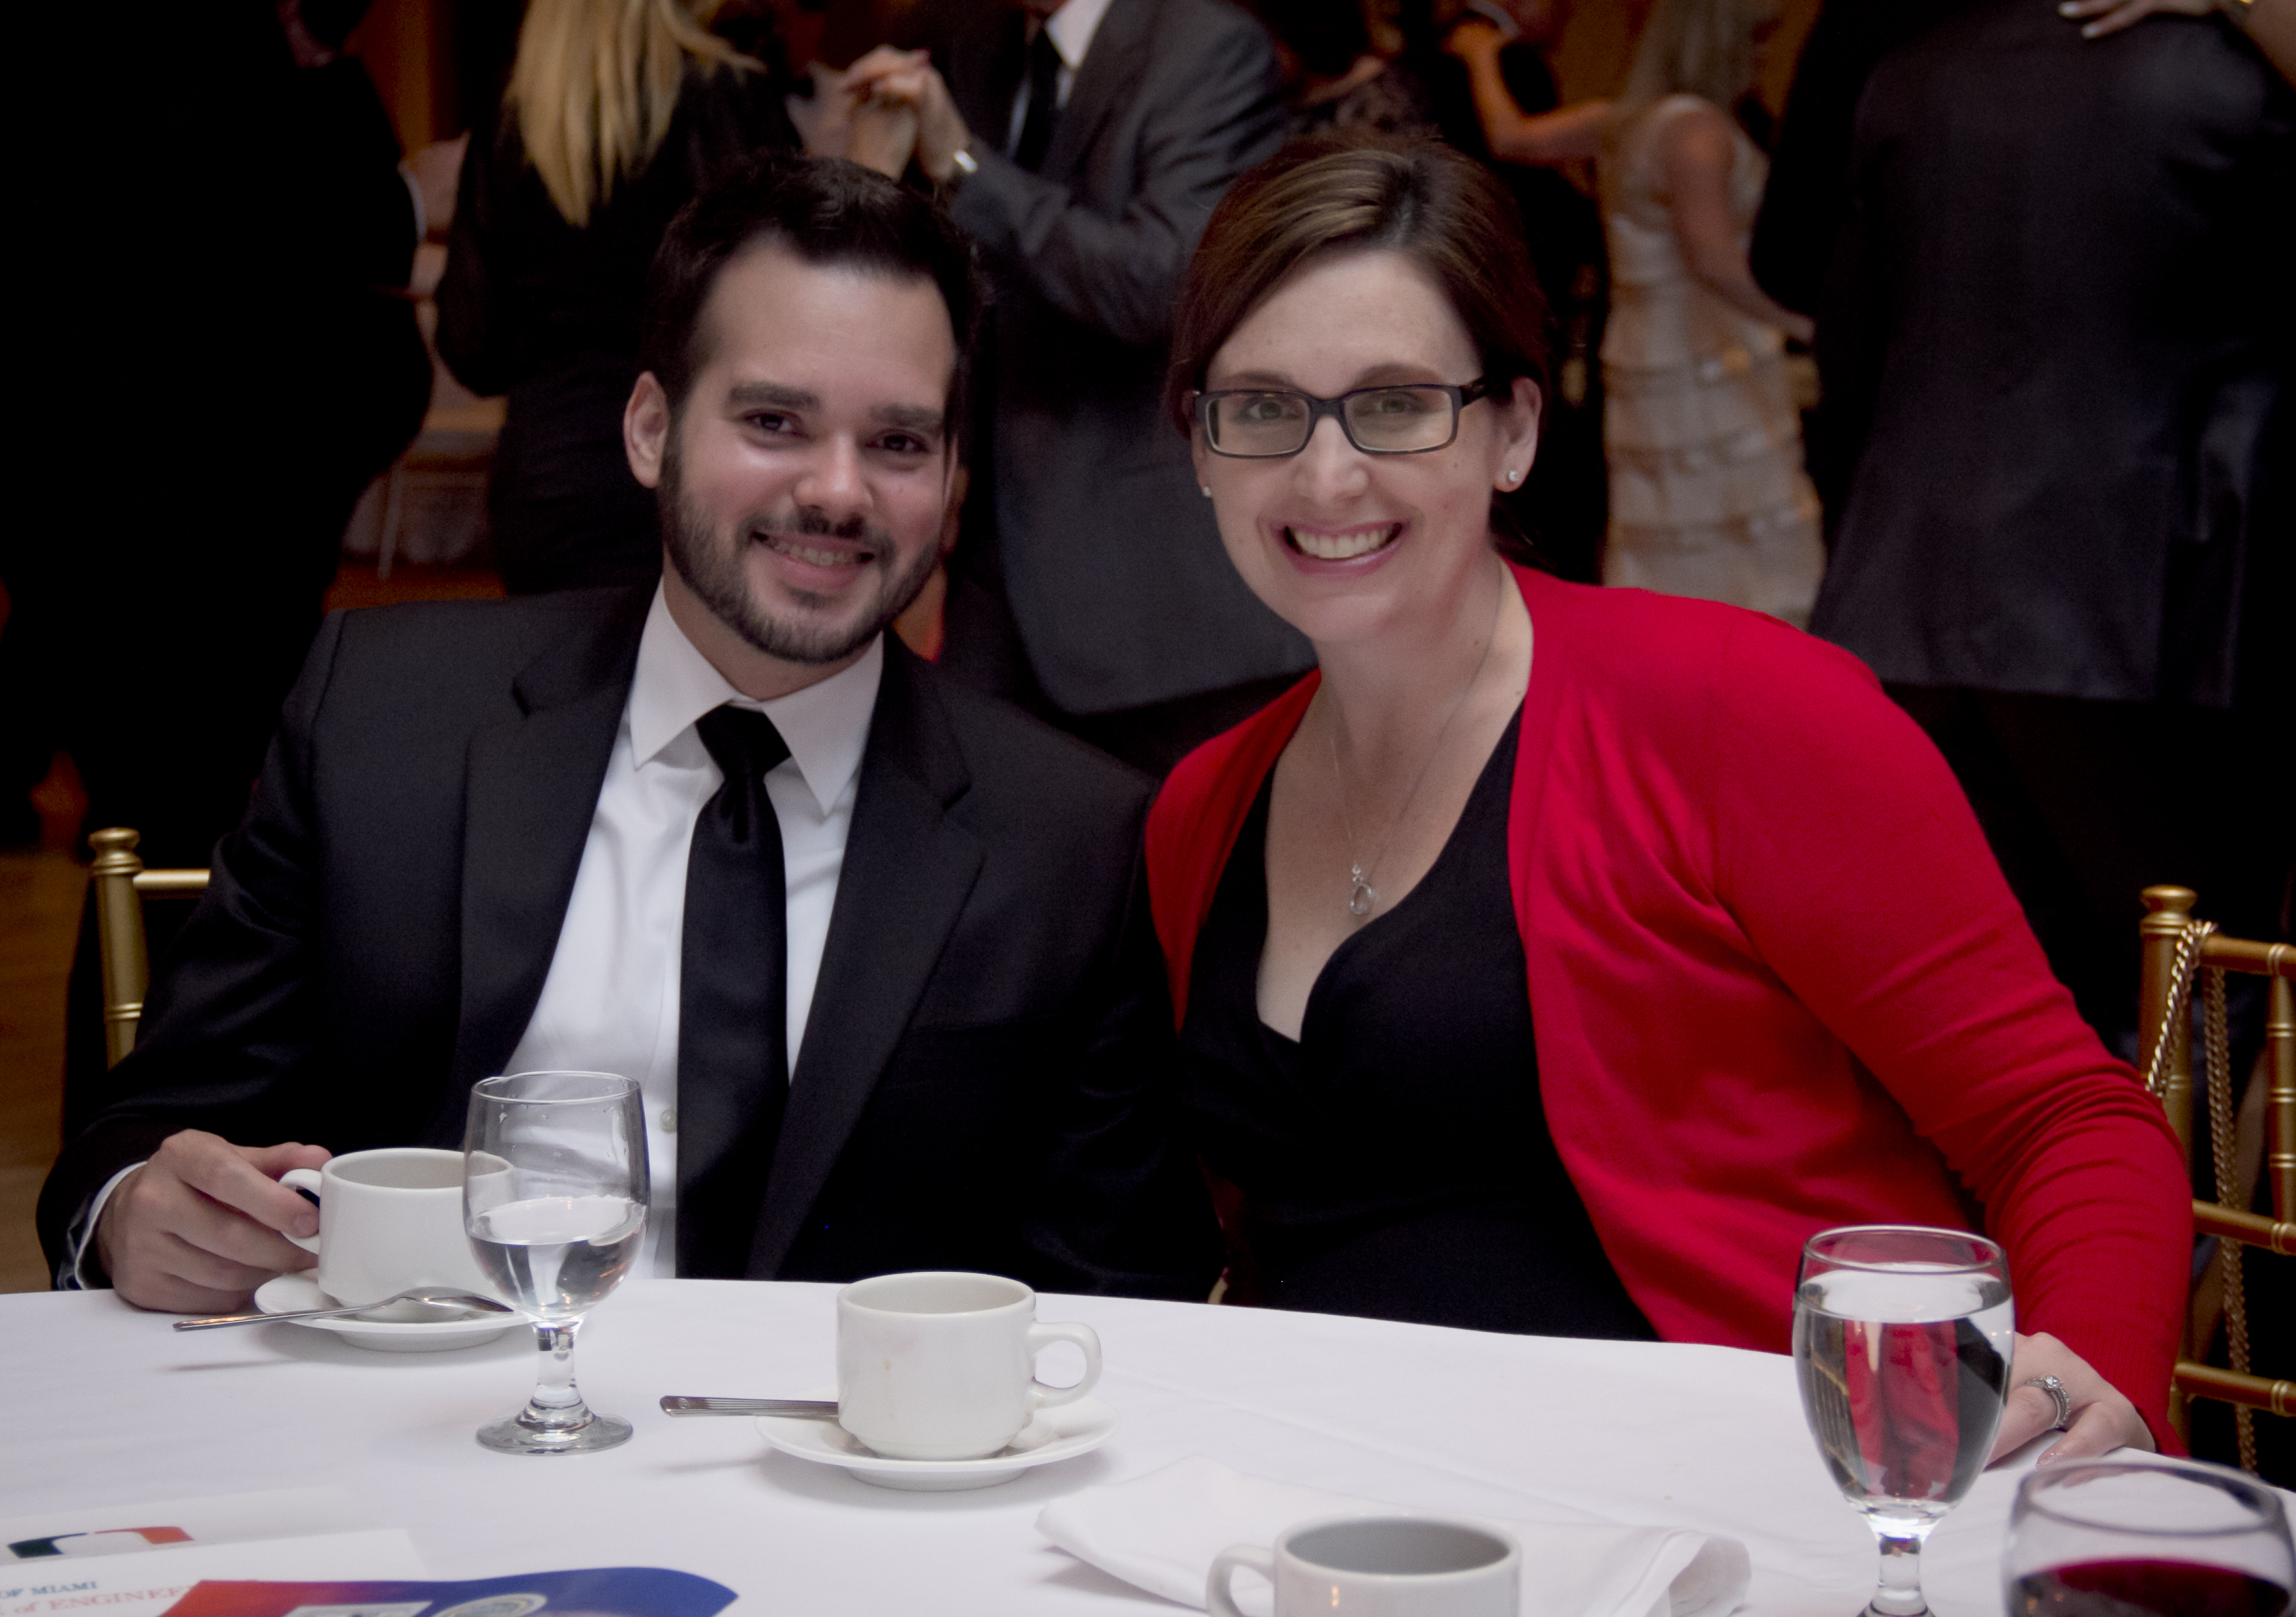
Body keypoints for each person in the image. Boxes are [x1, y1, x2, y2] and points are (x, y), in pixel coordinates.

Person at [1146, 133, 2189, 1458]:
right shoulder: (1200, 808)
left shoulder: (1733, 711)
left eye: (1396, 404)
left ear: (1514, 430)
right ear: (1201, 447)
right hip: (1313, 1511)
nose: (1324, 474)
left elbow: (2059, 1119)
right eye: (1261, 409)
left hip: (1713, 1506)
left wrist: (2080, 1371)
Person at [39, 156, 1220, 1317]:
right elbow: (144, 1133)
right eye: (774, 421)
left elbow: (1124, 1297)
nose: (838, 491)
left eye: (899, 442)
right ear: (651, 429)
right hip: (423, 1412)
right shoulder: (383, 723)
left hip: (849, 1438)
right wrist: (137, 1208)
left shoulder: (1066, 839)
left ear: (955, 473)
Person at [1770, 0, 2292, 1048]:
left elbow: (1844, 341)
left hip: (1912, 597)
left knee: (2007, 997)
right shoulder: (2235, 85)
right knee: (2196, 992)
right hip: (2156, 608)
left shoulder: (1920, 72)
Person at [835, 0, 1314, 775]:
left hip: (1157, 596)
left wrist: (964, 166)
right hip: (998, 573)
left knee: (1193, 850)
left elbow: (1161, 285)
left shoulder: (1207, 46)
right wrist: (864, 181)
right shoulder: (969, 42)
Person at [1455, 0, 1823, 623]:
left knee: (1669, 513)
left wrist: (1478, 57)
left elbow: (1509, 137)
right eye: (1756, 39)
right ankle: (1742, 644)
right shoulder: (1694, 131)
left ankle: (1673, 643)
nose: (1761, 55)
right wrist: (1809, 327)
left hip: (1642, 347)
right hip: (1705, 350)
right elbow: (1712, 260)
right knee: (1722, 511)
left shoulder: (1620, 122)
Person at [437, 0, 801, 595]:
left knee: (562, 655)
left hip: (551, 472)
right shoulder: (726, 97)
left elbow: (470, 344)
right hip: (698, 461)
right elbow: (789, 304)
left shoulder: (511, 119)